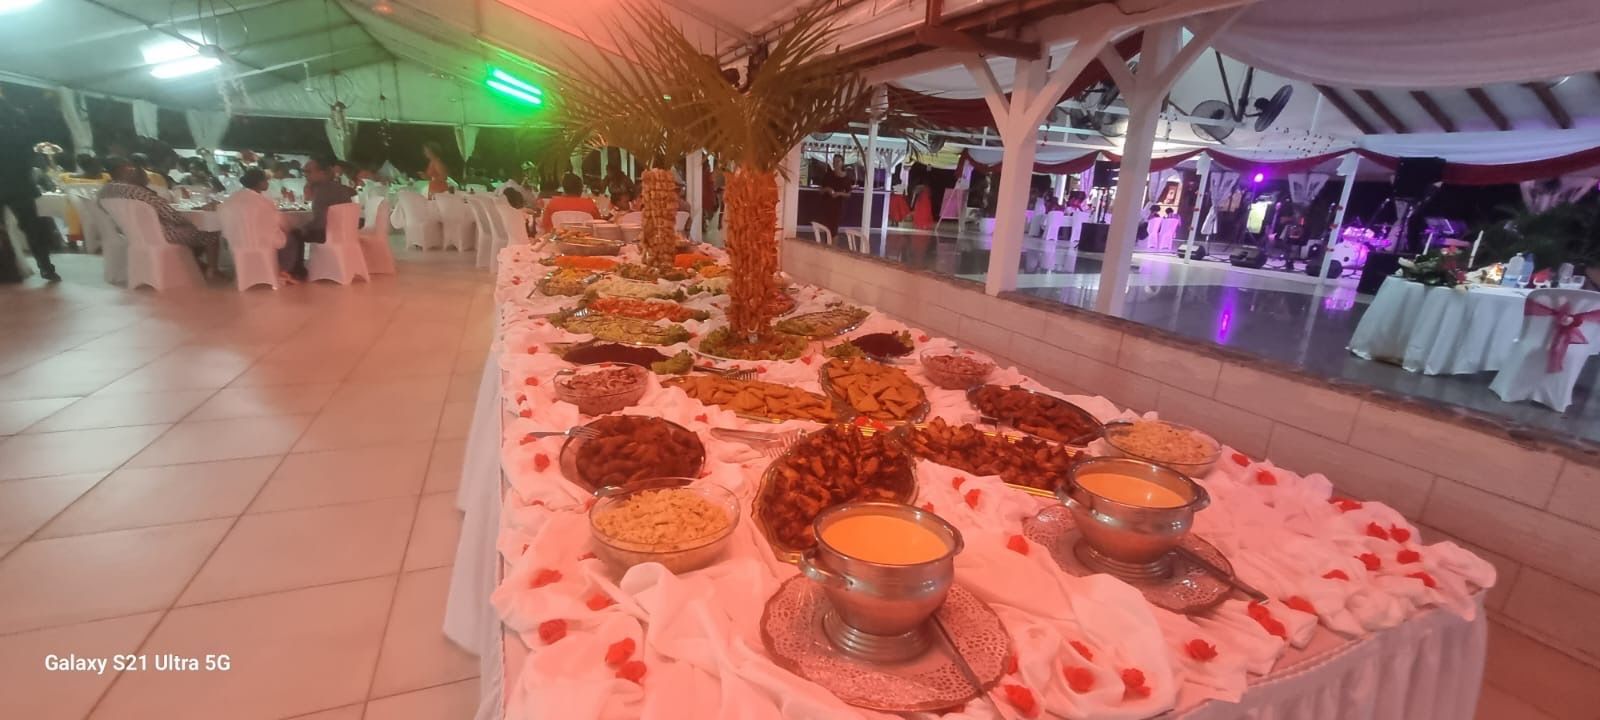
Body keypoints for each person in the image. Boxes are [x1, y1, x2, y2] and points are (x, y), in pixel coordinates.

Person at [98, 156, 221, 278]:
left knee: (195, 231)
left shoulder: (106, 191)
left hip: (131, 234)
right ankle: (212, 271)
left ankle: (191, 265)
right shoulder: (141, 193)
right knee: (210, 233)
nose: (146, 177)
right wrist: (193, 217)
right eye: (143, 174)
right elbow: (172, 216)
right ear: (132, 175)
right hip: (162, 234)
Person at [0, 92, 57, 281]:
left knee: (5, 230)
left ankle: (8, 270)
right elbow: (30, 149)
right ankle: (46, 267)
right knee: (32, 227)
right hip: (20, 183)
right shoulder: (17, 118)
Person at [278, 155, 357, 280]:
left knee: (294, 233)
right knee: (298, 231)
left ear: (322, 173)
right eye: (304, 172)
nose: (305, 175)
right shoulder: (336, 187)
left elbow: (320, 222)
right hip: (343, 232)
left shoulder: (323, 190)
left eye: (308, 172)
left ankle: (295, 271)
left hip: (329, 232)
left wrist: (303, 227)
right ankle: (297, 269)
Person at [816, 153, 853, 242]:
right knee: (826, 228)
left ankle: (834, 249)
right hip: (827, 205)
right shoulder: (828, 175)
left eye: (838, 161)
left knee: (834, 228)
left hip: (838, 207)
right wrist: (827, 189)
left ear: (842, 163)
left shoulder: (846, 177)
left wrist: (839, 193)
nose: (835, 163)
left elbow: (849, 193)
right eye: (834, 161)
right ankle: (827, 247)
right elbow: (820, 191)